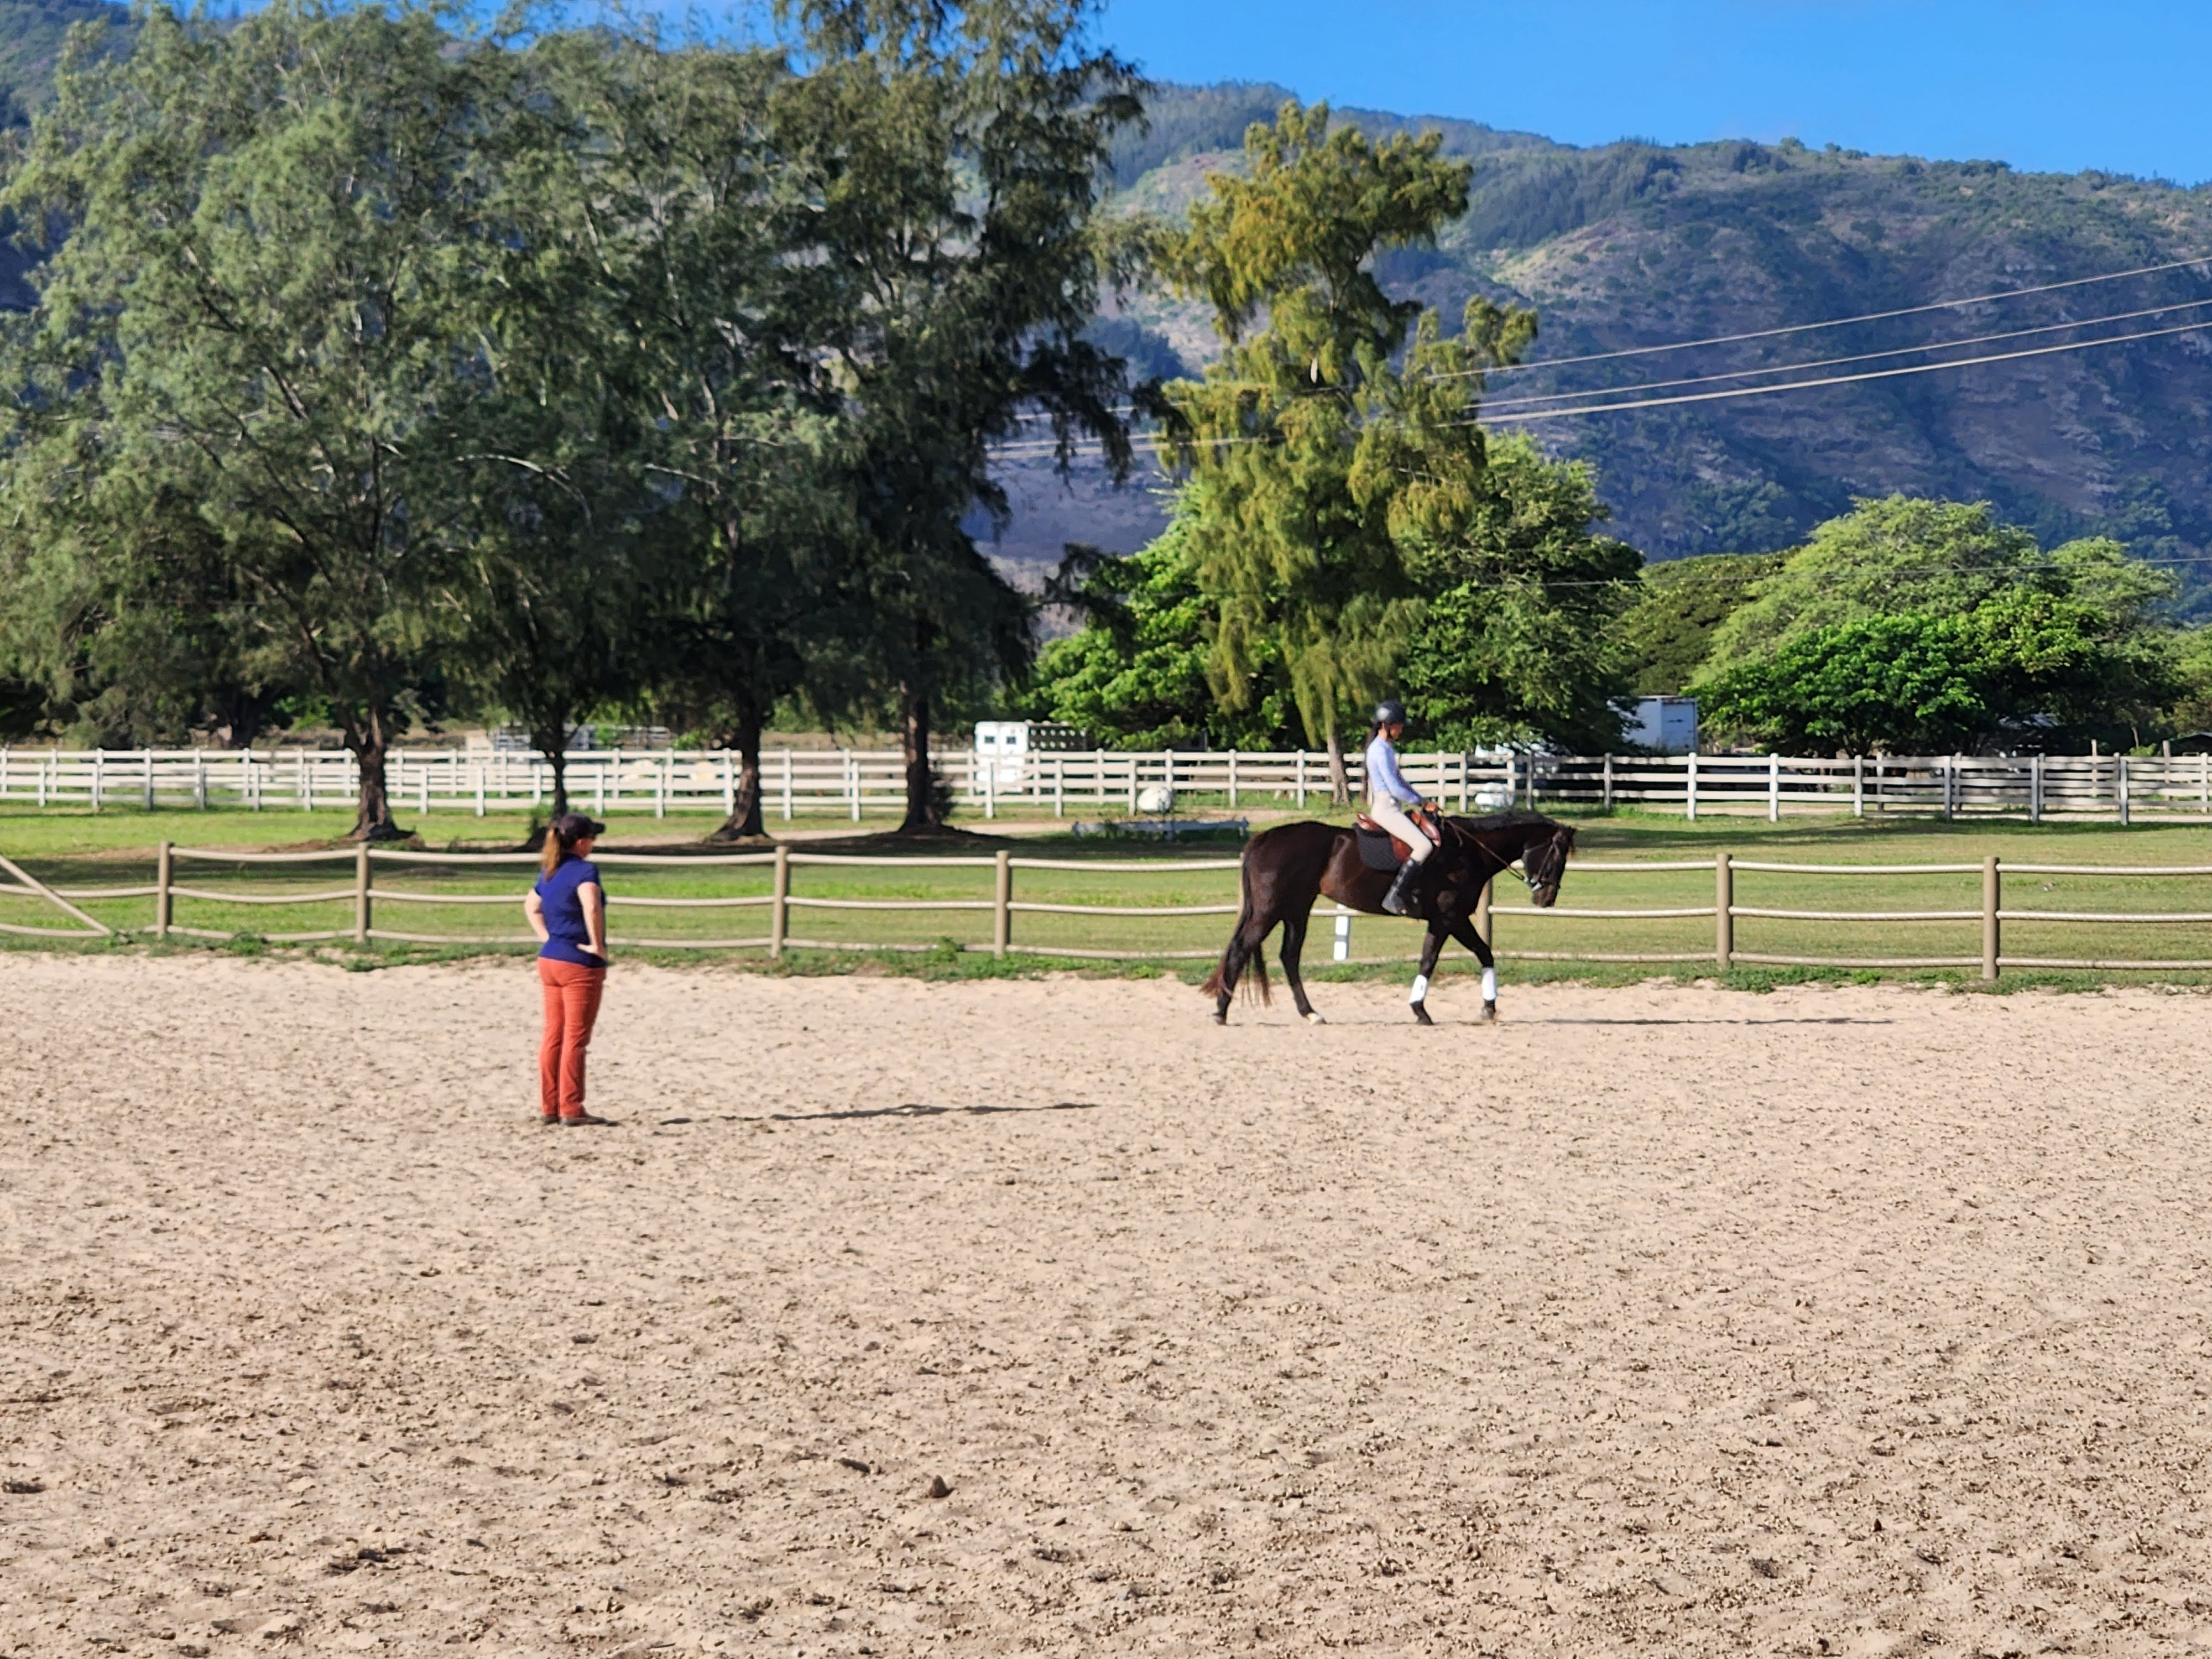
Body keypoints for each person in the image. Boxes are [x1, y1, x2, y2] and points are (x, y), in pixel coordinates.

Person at [524, 811, 614, 1126]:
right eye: (592, 838)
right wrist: (597, 945)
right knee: (576, 1037)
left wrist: (549, 938)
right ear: (581, 842)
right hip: (579, 963)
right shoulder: (585, 871)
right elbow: (591, 905)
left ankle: (550, 1105)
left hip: (550, 959)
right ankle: (572, 1107)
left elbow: (531, 906)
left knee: (554, 1035)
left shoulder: (549, 871)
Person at [1364, 700, 1433, 916]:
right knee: (1424, 846)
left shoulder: (1386, 748)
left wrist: (1422, 799)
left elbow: (1401, 781)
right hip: (1386, 809)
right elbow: (1394, 788)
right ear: (1387, 725)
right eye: (1399, 725)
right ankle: (1395, 895)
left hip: (1392, 807)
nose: (1401, 729)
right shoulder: (1379, 750)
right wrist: (1421, 803)